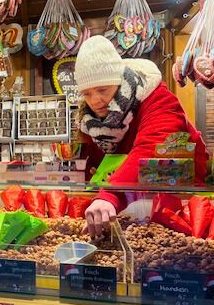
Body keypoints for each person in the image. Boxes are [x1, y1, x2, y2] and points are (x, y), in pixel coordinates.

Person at [73, 35, 209, 238]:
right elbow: (94, 166)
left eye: (102, 90)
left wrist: (110, 195)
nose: (95, 100)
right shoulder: (90, 120)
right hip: (128, 206)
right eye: (87, 93)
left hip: (179, 202)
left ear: (120, 83)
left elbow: (152, 149)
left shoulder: (157, 98)